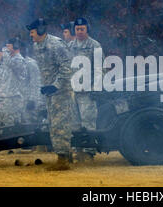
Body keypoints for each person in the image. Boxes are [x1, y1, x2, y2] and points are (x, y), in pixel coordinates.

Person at [26, 18, 79, 170]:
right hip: (50, 91)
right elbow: (44, 70)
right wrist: (45, 87)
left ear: (41, 31)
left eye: (32, 32)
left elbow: (67, 68)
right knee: (53, 123)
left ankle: (63, 160)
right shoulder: (37, 45)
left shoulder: (56, 45)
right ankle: (66, 156)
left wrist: (55, 86)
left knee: (59, 124)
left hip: (61, 91)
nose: (31, 35)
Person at [68, 17, 104, 161]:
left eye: (82, 29)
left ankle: (89, 151)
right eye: (77, 29)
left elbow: (99, 69)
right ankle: (78, 149)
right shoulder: (70, 46)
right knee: (74, 122)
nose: (80, 32)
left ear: (87, 29)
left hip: (87, 91)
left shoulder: (95, 46)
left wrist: (96, 88)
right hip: (73, 91)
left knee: (88, 121)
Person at [0, 38, 28, 127]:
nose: (5, 49)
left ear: (15, 46)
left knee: (10, 126)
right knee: (4, 125)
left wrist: (4, 52)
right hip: (7, 99)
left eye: (8, 46)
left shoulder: (18, 60)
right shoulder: (9, 61)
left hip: (14, 99)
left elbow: (10, 63)